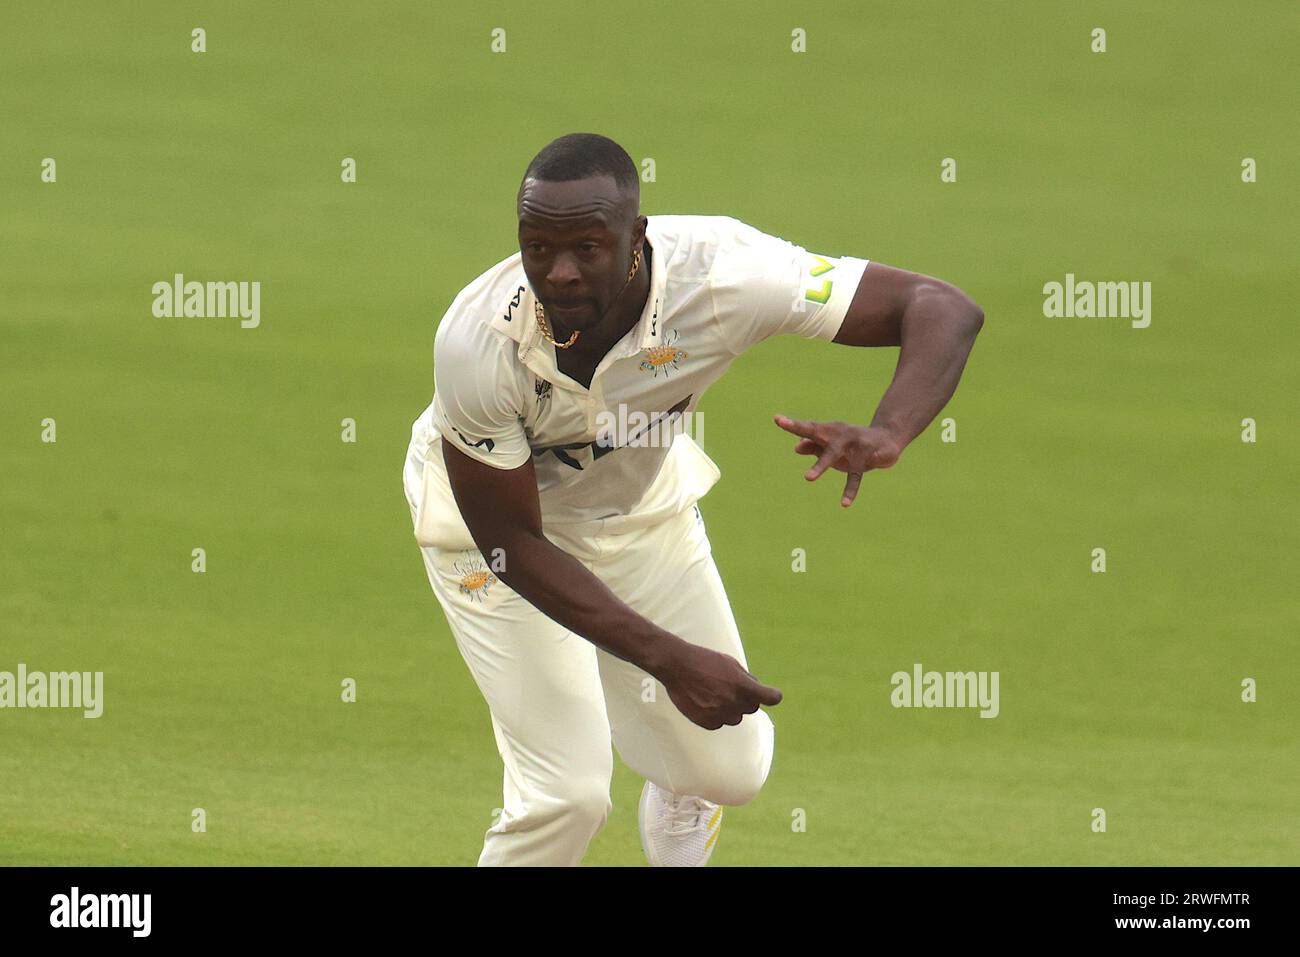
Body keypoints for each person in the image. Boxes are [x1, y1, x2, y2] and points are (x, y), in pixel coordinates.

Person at [402, 132, 984, 866]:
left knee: (729, 771)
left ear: (636, 238)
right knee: (566, 796)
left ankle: (682, 789)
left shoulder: (726, 278)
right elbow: (510, 543)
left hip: (641, 515)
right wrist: (670, 661)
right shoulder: (476, 342)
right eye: (537, 247)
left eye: (587, 247)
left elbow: (940, 306)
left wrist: (890, 430)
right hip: (489, 543)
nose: (560, 273)